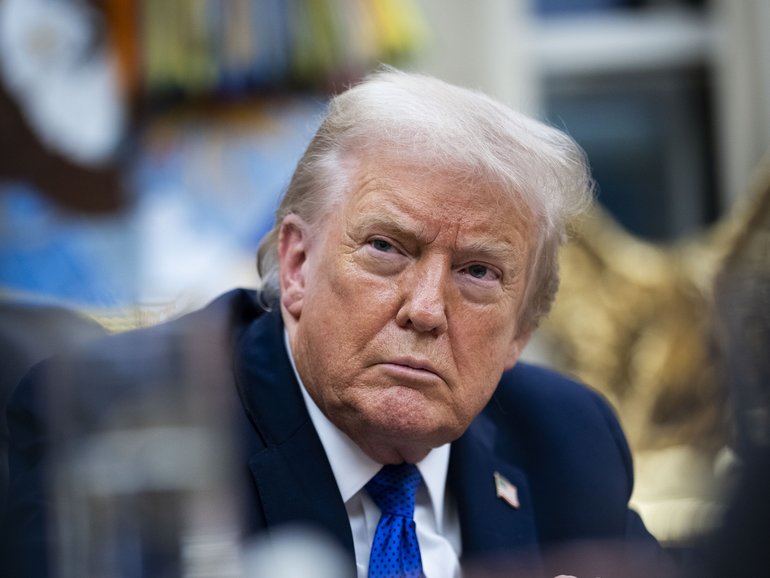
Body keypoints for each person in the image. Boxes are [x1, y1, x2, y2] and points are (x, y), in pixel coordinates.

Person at [3, 68, 662, 577]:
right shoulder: (137, 426)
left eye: (479, 274)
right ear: (296, 264)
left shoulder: (569, 443)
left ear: (521, 329)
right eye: (387, 249)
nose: (426, 309)